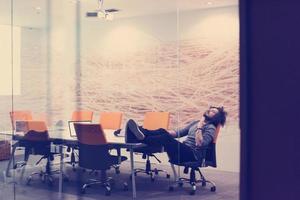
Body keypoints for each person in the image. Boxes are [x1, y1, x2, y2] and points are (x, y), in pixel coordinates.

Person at [125, 106, 227, 164]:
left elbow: (200, 144)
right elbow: (179, 133)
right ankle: (141, 133)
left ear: (217, 117)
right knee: (163, 131)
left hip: (193, 154)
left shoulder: (211, 128)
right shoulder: (195, 122)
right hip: (184, 149)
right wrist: (164, 132)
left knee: (165, 137)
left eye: (213, 111)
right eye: (210, 109)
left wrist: (200, 127)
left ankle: (140, 138)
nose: (210, 111)